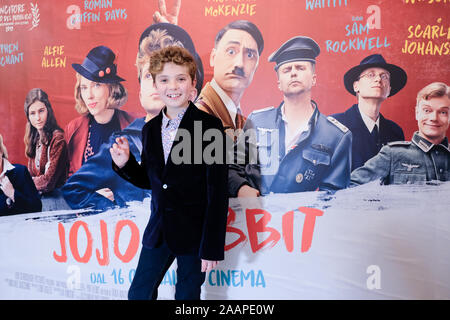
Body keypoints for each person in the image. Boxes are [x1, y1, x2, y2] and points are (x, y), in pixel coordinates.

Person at [111, 46, 228, 300]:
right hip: (159, 230)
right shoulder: (150, 129)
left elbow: (217, 191)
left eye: (180, 79)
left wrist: (212, 246)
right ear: (155, 85)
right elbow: (152, 181)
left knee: (187, 297)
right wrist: (125, 163)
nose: (172, 86)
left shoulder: (209, 126)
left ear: (192, 84)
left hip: (195, 235)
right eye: (164, 79)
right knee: (139, 294)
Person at [62, 23, 203, 210]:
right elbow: (73, 188)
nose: (155, 83)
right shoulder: (123, 143)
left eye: (164, 75)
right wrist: (112, 210)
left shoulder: (200, 138)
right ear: (140, 90)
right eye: (147, 75)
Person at [228, 36, 352, 197]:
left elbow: (333, 197)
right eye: (287, 70)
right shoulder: (257, 121)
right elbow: (231, 168)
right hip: (252, 217)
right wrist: (242, 189)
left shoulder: (336, 136)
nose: (293, 73)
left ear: (314, 79)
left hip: (305, 220)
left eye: (300, 68)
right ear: (279, 82)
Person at [350, 82, 450, 186]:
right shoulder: (392, 154)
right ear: (417, 113)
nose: (434, 118)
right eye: (427, 110)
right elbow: (349, 187)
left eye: (443, 112)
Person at [65, 45, 136, 177]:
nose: (89, 95)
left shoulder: (134, 125)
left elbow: (144, 179)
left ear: (111, 88)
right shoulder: (73, 129)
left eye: (96, 85)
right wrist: (91, 194)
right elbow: (68, 181)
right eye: (84, 87)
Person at [332, 54, 407, 171]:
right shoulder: (335, 125)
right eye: (371, 75)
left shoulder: (395, 132)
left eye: (384, 76)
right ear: (356, 86)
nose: (378, 79)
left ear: (389, 90)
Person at [195, 20, 264, 138]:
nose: (239, 63)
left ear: (256, 65)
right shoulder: (196, 117)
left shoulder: (245, 123)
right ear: (213, 58)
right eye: (231, 51)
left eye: (250, 55)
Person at [24, 88, 69, 210]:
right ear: (28, 116)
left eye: (41, 111)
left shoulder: (57, 140)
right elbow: (31, 175)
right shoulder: (34, 140)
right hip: (40, 200)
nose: (37, 117)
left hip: (57, 201)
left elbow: (48, 182)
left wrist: (28, 182)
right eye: (32, 113)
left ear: (48, 111)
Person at [0, 134, 42, 215]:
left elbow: (37, 208)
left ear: (1, 151)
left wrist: (13, 194)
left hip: (22, 226)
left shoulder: (20, 172)